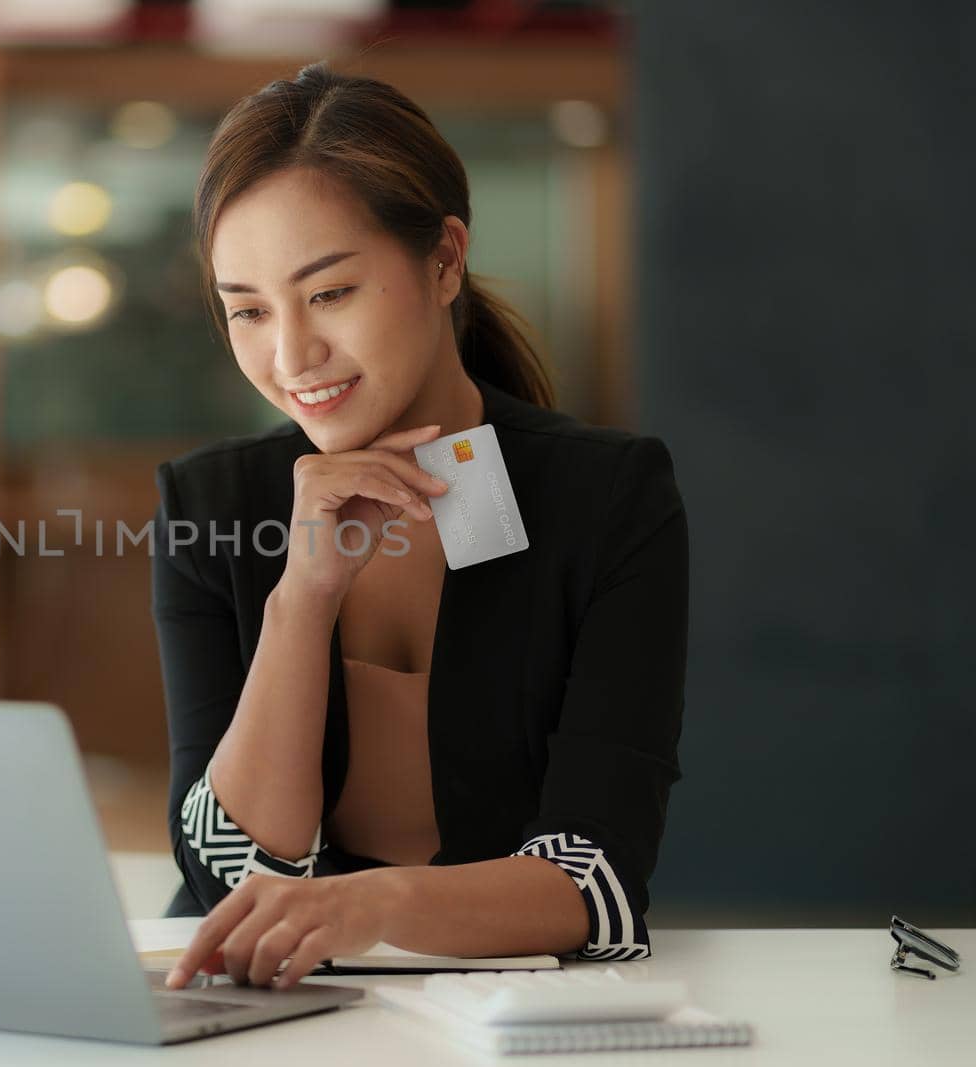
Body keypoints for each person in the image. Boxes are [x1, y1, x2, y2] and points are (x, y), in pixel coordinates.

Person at [153, 63, 688, 992]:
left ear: (444, 261)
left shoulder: (602, 498)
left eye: (329, 293)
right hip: (259, 1012)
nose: (291, 356)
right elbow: (225, 880)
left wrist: (374, 906)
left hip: (503, 1015)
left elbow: (594, 882)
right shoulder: (214, 509)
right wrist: (303, 596)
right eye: (248, 310)